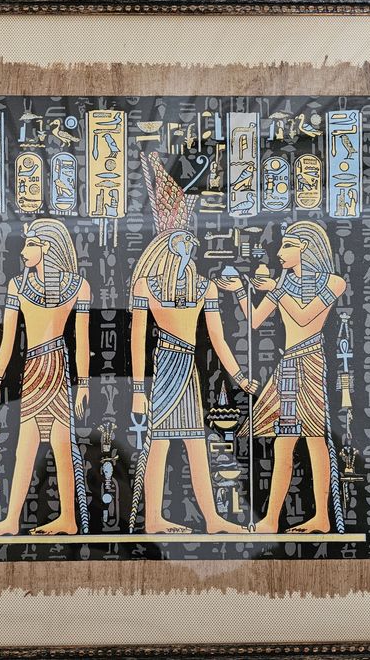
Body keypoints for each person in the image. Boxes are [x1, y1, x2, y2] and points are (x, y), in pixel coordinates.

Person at [216, 220, 346, 534]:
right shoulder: (284, 283)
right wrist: (240, 291)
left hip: (310, 360)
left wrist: (275, 289)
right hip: (288, 364)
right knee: (283, 442)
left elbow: (304, 315)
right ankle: (272, 519)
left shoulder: (333, 282)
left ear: (307, 247)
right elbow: (254, 320)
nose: (279, 252)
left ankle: (321, 517)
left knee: (315, 438)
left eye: (288, 245)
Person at [128, 229, 252, 535]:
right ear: (169, 247)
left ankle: (212, 519)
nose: (190, 247)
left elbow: (218, 338)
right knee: (159, 442)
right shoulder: (147, 285)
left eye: (190, 242)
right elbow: (137, 338)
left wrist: (238, 376)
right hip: (166, 365)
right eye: (183, 242)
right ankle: (153, 519)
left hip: (188, 368)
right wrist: (138, 390)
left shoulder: (204, 287)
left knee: (196, 442)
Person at [0, 218, 91, 536]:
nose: (23, 251)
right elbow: (8, 341)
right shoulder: (18, 285)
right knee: (24, 447)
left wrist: (83, 385)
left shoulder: (79, 286)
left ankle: (67, 518)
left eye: (30, 245)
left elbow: (82, 341)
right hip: (33, 370)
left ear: (47, 247)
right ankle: (12, 520)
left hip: (57, 368)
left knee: (61, 445)